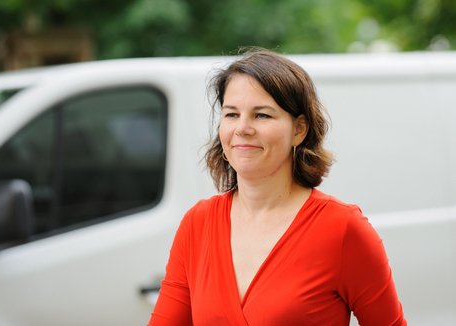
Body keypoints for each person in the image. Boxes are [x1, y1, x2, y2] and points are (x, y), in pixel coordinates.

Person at [148, 47, 406, 325]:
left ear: (299, 130)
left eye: (262, 115)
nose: (242, 128)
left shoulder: (342, 228)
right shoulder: (198, 224)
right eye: (231, 114)